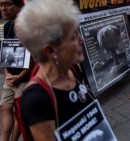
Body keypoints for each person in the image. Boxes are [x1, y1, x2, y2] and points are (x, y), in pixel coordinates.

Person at [14, 0, 92, 140]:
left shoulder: (71, 72)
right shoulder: (36, 99)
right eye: (73, 37)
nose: (82, 40)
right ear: (50, 51)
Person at [0, 0, 30, 141]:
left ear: (20, 6)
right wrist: (7, 73)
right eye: (1, 4)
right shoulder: (8, 26)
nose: (3, 8)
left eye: (8, 4)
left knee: (19, 111)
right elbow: (7, 51)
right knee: (5, 107)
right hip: (11, 75)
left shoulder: (29, 26)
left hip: (27, 77)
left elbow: (35, 56)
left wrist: (21, 76)